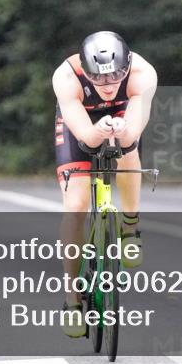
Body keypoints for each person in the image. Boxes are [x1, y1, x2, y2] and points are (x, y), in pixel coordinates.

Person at [51, 31, 157, 338]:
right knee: (75, 207)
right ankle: (72, 300)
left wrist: (121, 130)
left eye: (115, 78)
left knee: (128, 149)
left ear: (126, 68)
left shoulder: (142, 73)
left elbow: (133, 130)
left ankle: (130, 225)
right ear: (85, 70)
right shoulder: (66, 77)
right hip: (80, 124)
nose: (109, 85)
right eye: (99, 79)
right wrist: (98, 129)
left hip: (124, 117)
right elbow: (85, 136)